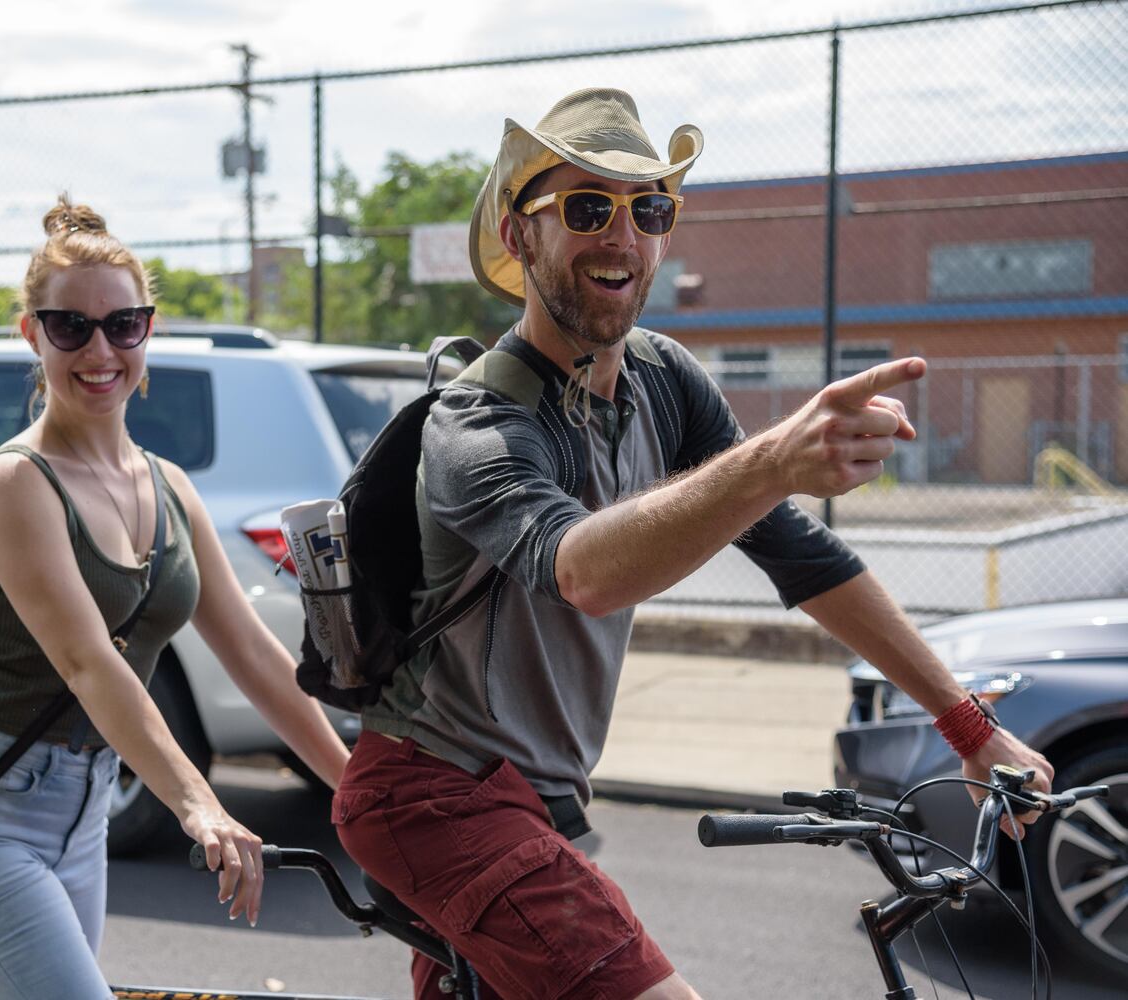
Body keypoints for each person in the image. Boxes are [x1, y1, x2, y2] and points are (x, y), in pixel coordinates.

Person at [331, 88, 1055, 1000]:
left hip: (537, 800)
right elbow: (580, 569)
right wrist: (773, 459)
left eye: (650, 209)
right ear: (521, 239)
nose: (622, 236)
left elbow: (800, 556)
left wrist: (969, 727)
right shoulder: (478, 421)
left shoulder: (663, 380)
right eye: (587, 208)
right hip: (437, 798)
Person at [0, 196, 351, 999]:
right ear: (31, 334)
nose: (100, 350)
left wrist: (361, 798)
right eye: (71, 327)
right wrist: (200, 806)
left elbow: (252, 654)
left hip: (83, 814)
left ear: (149, 331)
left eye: (122, 325)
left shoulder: (169, 485)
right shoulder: (15, 484)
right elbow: (90, 664)